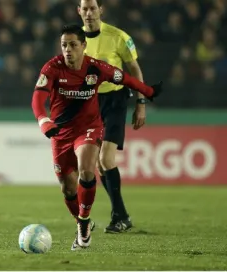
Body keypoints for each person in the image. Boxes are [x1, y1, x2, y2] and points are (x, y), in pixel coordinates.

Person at [31, 23, 162, 249]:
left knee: (87, 169)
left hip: (88, 128)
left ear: (84, 45)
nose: (68, 50)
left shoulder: (96, 68)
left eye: (73, 45)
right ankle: (83, 221)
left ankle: (82, 226)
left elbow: (125, 79)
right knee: (68, 188)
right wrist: (44, 121)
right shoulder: (52, 68)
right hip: (61, 132)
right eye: (64, 45)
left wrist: (147, 92)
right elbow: (37, 99)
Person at [78, 0, 146, 233]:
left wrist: (141, 102)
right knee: (96, 163)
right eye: (84, 9)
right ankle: (122, 215)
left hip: (115, 100)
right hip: (90, 103)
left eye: (92, 8)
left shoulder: (118, 37)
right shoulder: (75, 41)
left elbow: (134, 70)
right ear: (79, 12)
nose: (88, 13)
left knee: (106, 160)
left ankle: (120, 215)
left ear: (100, 10)